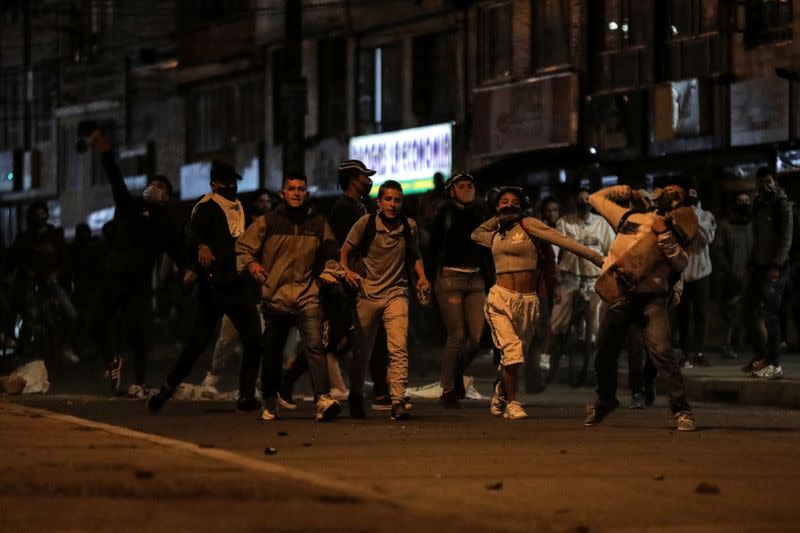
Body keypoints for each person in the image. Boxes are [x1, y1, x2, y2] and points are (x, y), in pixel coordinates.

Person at [471, 187, 604, 420]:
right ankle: (513, 403)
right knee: (511, 351)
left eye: (514, 202)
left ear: (523, 206)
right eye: (504, 202)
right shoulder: (494, 233)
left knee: (515, 355)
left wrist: (597, 258)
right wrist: (499, 215)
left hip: (527, 301)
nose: (509, 205)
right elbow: (475, 234)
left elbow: (563, 240)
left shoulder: (529, 225)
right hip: (500, 298)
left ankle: (502, 390)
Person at [147, 161, 265, 413]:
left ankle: (245, 396)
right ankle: (167, 389)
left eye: (234, 181)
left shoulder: (239, 207)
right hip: (214, 286)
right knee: (197, 343)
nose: (231, 186)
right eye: (226, 182)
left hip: (238, 283)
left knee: (254, 339)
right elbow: (190, 232)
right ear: (214, 184)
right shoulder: (207, 206)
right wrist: (201, 245)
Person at [584, 185, 697, 431]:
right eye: (667, 191)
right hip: (619, 296)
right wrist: (621, 191)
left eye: (676, 193)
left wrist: (664, 234)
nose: (669, 196)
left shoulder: (681, 225)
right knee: (604, 352)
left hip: (651, 299)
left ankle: (682, 409)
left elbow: (681, 262)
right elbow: (595, 198)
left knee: (663, 354)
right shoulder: (629, 218)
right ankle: (605, 401)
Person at [236, 174, 343, 422]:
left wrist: (328, 273)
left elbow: (331, 252)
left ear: (307, 192)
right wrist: (252, 265)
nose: (296, 193)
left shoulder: (318, 223)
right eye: (291, 189)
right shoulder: (268, 222)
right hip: (276, 296)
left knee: (316, 347)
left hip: (308, 295)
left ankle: (322, 399)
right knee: (272, 353)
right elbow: (243, 247)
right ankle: (270, 400)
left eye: (301, 189)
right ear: (282, 193)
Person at [89, 132, 180, 396]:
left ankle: (139, 382)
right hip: (115, 276)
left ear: (167, 197)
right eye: (153, 183)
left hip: (138, 284)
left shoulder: (166, 224)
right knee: (96, 322)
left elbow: (178, 251)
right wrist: (106, 154)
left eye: (161, 186)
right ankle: (111, 361)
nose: (154, 187)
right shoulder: (132, 207)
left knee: (137, 333)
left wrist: (188, 270)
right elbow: (117, 182)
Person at [341, 180, 430, 420]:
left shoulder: (408, 226)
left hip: (396, 293)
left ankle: (398, 400)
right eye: (388, 199)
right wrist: (346, 271)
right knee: (362, 351)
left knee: (398, 347)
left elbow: (414, 256)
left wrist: (422, 277)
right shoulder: (366, 223)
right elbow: (345, 251)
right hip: (367, 293)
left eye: (397, 200)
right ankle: (356, 394)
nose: (392, 204)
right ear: (379, 202)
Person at [426, 171, 493, 407]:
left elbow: (488, 251)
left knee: (476, 337)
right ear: (451, 190)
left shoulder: (481, 214)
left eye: (470, 185)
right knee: (457, 334)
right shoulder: (444, 214)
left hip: (476, 281)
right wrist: (425, 280)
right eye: (461, 186)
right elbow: (432, 251)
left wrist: (491, 280)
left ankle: (455, 371)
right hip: (450, 280)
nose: (467, 189)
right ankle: (448, 389)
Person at [538, 189, 614, 381]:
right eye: (580, 200)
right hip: (570, 278)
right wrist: (554, 270)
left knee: (597, 320)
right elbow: (554, 249)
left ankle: (599, 363)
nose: (584, 203)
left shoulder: (601, 224)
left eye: (587, 200)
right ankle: (544, 357)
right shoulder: (565, 222)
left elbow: (612, 251)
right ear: (575, 202)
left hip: (594, 281)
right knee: (556, 318)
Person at [5, 202, 77, 364]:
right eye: (37, 214)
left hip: (51, 282)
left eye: (42, 213)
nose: (40, 217)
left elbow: (65, 259)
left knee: (71, 314)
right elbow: (16, 258)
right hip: (31, 283)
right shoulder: (25, 238)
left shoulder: (54, 236)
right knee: (31, 316)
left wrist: (56, 274)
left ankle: (64, 346)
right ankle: (23, 349)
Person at [744, 167, 793, 379]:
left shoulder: (782, 204)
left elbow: (786, 238)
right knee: (748, 310)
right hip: (758, 266)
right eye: (761, 181)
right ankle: (761, 356)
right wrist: (752, 262)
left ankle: (774, 364)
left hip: (775, 268)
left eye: (769, 181)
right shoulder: (759, 204)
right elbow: (756, 236)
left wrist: (776, 265)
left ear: (775, 181)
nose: (766, 185)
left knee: (771, 315)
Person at [677, 188, 716, 368]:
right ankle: (685, 353)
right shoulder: (677, 216)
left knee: (701, 314)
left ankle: (699, 352)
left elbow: (707, 238)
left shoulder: (707, 216)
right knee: (683, 315)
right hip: (683, 274)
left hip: (702, 273)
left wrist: (694, 219)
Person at [712, 193, 754, 360]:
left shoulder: (753, 224)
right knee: (730, 311)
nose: (744, 204)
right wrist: (727, 269)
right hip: (732, 274)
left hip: (751, 273)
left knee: (749, 310)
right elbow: (719, 250)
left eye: (746, 201)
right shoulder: (726, 224)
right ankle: (727, 344)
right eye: (740, 201)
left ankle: (742, 343)